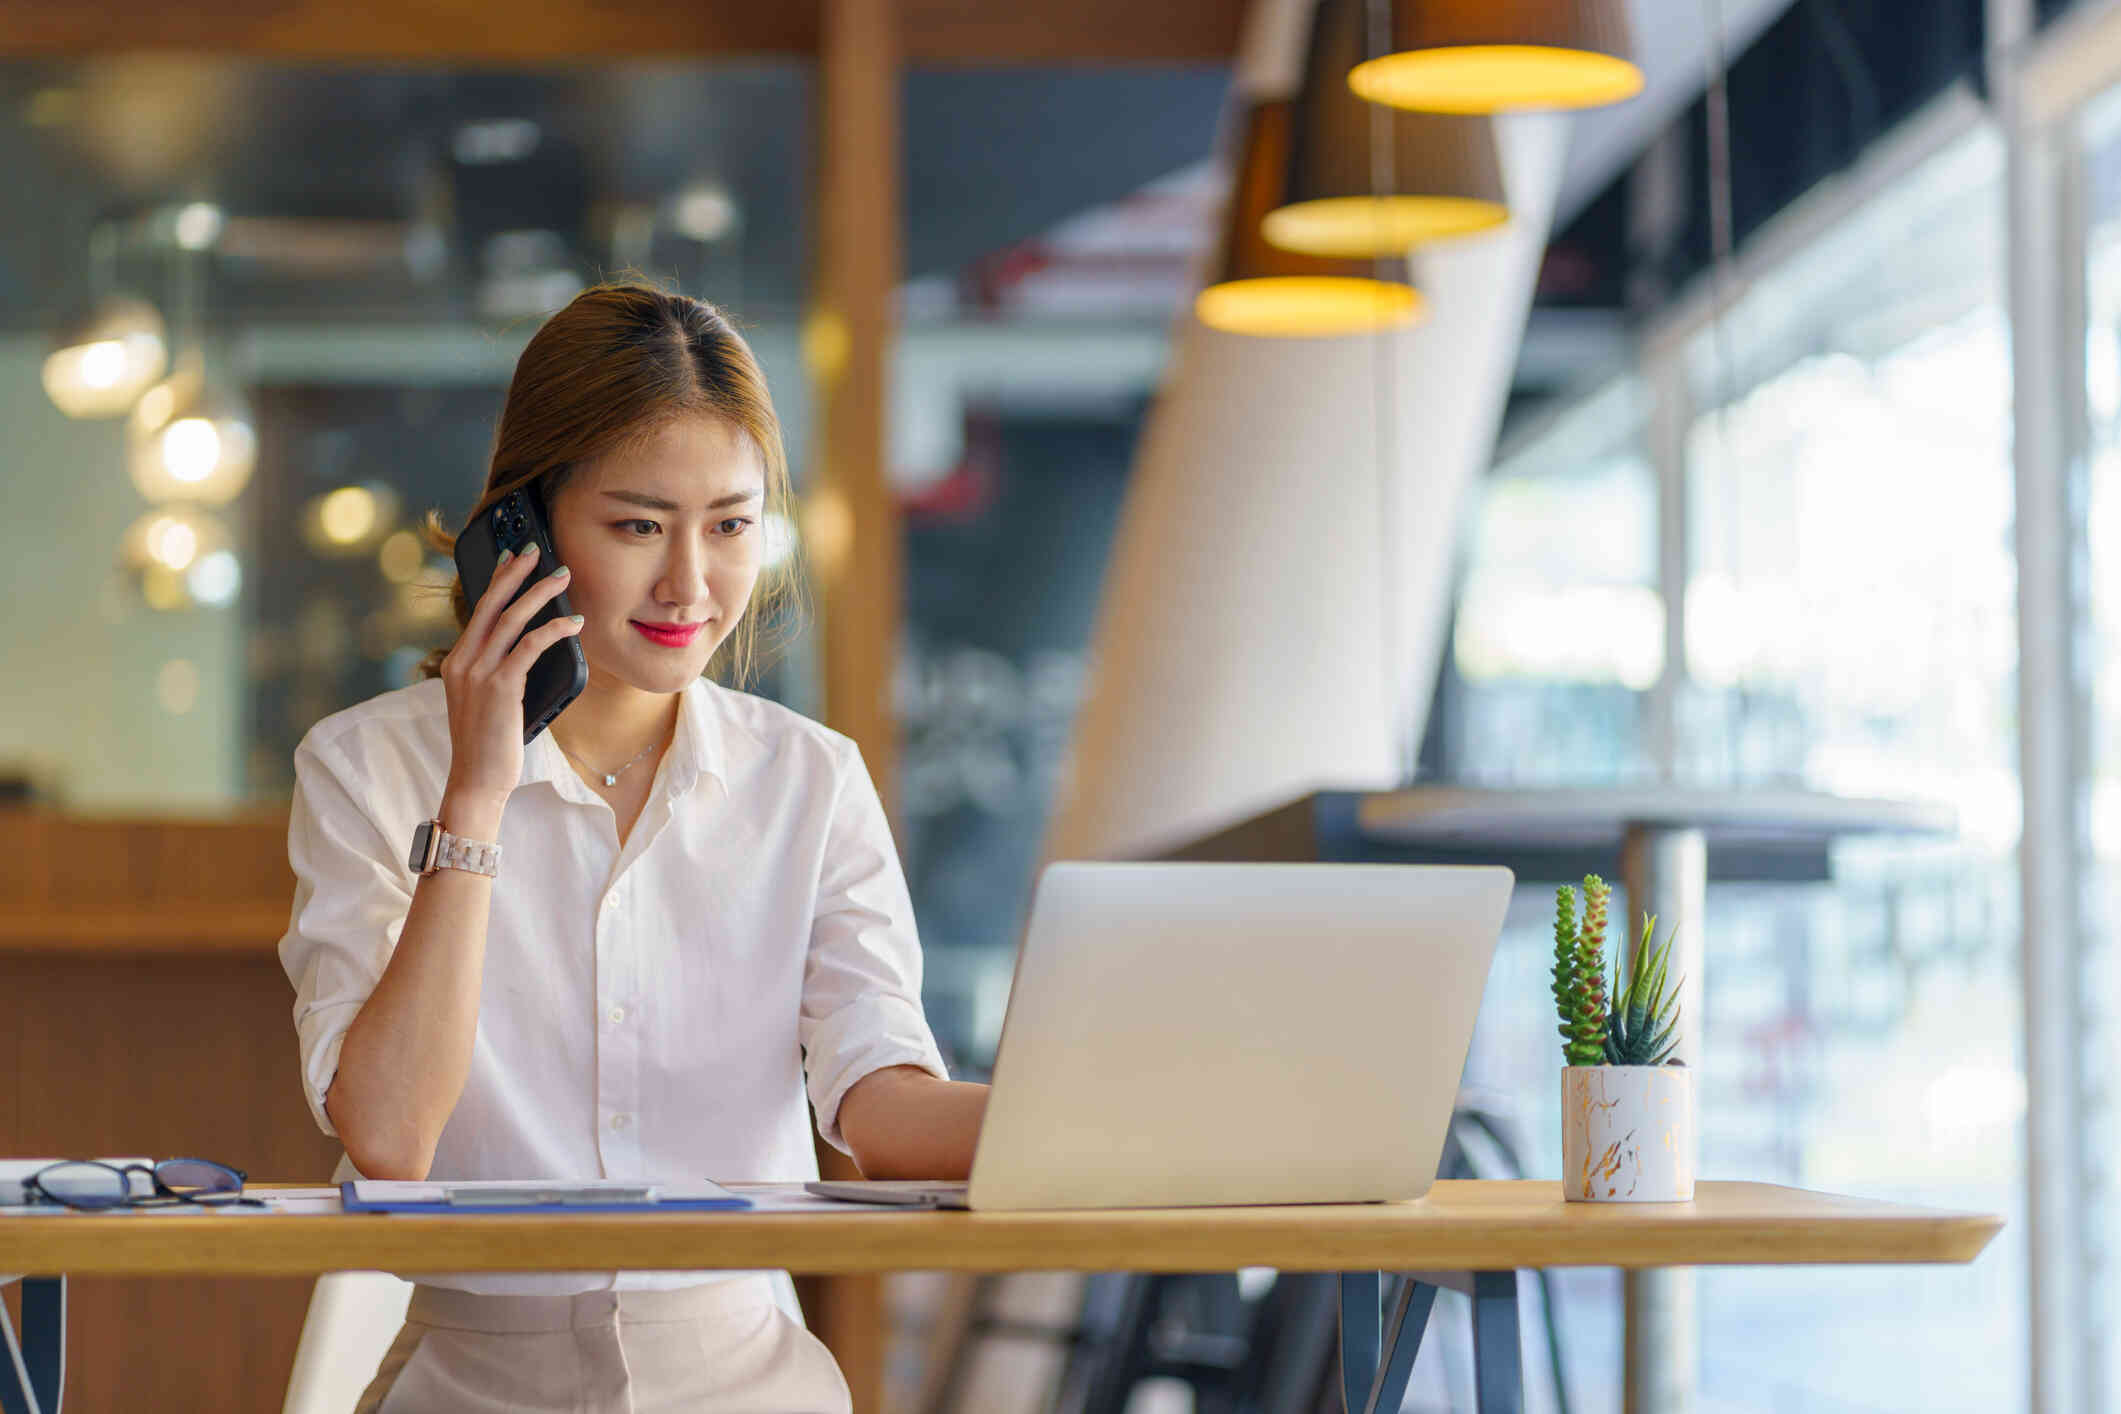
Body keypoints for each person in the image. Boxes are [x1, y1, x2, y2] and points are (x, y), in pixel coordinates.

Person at [276, 279, 990, 1413]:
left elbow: (880, 1096)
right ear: (522, 527)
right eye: (638, 525)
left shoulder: (809, 778)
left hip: (749, 1375)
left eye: (732, 524)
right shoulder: (365, 768)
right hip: (470, 1380)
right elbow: (392, 1132)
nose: (691, 585)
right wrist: (476, 796)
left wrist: (1081, 1110)